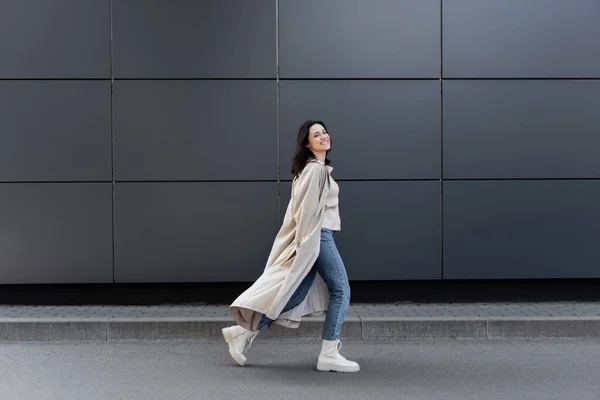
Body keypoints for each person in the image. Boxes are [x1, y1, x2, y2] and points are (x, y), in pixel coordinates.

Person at [222, 120, 359, 373]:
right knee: (341, 290)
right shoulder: (315, 170)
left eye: (325, 132)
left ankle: (241, 332)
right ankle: (328, 354)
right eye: (317, 135)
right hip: (318, 237)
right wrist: (305, 247)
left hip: (317, 237)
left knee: (294, 294)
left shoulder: (310, 169)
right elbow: (306, 214)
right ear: (308, 143)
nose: (323, 136)